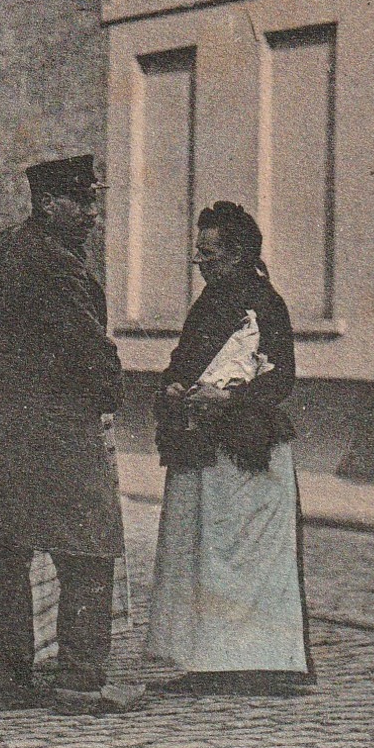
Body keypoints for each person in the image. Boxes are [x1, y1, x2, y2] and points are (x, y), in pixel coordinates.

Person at [0, 155, 127, 713]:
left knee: (3, 550)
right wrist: (110, 391)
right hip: (55, 428)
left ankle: (3, 684)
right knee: (89, 545)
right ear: (50, 204)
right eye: (84, 203)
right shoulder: (60, 266)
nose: (94, 216)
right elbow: (87, 348)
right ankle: (81, 681)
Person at [146, 201, 314, 696]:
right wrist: (175, 386)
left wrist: (231, 396)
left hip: (248, 450)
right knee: (203, 552)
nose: (202, 264)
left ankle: (263, 664)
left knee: (247, 558)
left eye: (210, 254)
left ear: (238, 254)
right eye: (198, 254)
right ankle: (209, 663)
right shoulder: (207, 303)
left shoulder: (264, 302)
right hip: (204, 448)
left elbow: (281, 376)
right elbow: (182, 362)